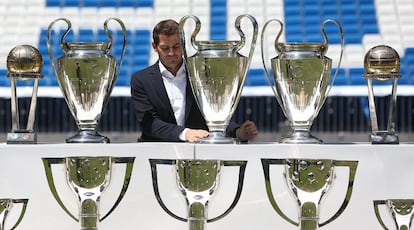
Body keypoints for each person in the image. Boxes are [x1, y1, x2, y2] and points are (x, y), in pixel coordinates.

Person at [130, 19, 258, 142]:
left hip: (196, 152)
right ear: (154, 46)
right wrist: (184, 133)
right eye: (165, 48)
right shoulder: (141, 80)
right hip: (155, 154)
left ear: (183, 43)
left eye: (176, 47)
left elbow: (213, 112)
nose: (171, 53)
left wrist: (237, 132)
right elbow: (149, 123)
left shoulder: (202, 74)